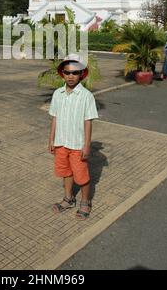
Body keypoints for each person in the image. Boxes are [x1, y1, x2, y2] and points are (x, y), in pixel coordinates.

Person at [48, 53, 98, 220]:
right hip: (61, 142)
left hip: (77, 144)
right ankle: (68, 198)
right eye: (68, 72)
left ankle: (85, 201)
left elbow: (88, 122)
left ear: (81, 74)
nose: (71, 76)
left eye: (75, 73)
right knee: (66, 172)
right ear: (63, 73)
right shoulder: (57, 94)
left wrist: (87, 145)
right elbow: (54, 117)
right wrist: (51, 139)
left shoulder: (86, 96)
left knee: (81, 175)